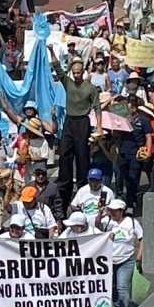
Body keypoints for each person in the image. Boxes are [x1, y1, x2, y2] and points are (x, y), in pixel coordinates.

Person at [50, 47, 103, 210]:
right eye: (74, 73)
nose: (76, 75)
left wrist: (99, 128)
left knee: (82, 157)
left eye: (79, 73)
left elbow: (97, 107)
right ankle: (63, 189)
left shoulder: (90, 88)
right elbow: (58, 70)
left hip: (83, 122)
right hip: (69, 121)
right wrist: (52, 51)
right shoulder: (68, 82)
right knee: (64, 154)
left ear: (83, 72)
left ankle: (82, 191)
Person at [96, 199, 143, 307]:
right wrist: (100, 215)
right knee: (111, 287)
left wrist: (139, 255)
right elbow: (98, 226)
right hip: (108, 261)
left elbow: (141, 239)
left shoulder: (132, 223)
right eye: (110, 210)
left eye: (113, 210)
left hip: (126, 260)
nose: (110, 212)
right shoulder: (108, 221)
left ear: (121, 211)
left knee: (122, 287)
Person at [60, 212, 98, 307]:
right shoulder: (68, 232)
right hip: (71, 272)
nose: (71, 227)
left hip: (87, 272)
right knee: (70, 296)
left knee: (84, 297)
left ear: (80, 226)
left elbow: (104, 241)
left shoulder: (93, 231)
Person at [120, 97, 153, 209]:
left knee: (133, 178)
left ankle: (129, 205)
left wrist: (148, 152)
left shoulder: (144, 120)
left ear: (134, 108)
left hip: (136, 153)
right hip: (123, 153)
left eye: (128, 108)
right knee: (127, 179)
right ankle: (132, 198)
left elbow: (148, 137)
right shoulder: (123, 120)